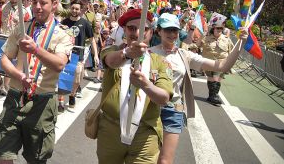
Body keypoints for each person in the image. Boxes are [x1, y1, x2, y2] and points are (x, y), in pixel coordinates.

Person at [150, 13, 248, 164]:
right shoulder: (148, 53)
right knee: (148, 157)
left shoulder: (185, 55)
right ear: (159, 31)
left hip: (174, 109)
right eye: (167, 29)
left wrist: (241, 42)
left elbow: (222, 66)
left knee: (164, 161)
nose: (172, 34)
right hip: (150, 108)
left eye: (175, 30)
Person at [0, 0, 72, 164]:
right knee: (4, 154)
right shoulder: (22, 28)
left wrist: (36, 50)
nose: (37, 7)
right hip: (15, 97)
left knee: (36, 159)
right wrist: (18, 75)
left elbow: (59, 64)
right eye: (34, 2)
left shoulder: (63, 34)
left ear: (54, 4)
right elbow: (4, 59)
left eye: (43, 3)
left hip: (42, 103)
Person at [96, 8, 173, 164]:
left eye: (143, 28)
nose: (137, 33)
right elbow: (110, 62)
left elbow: (164, 99)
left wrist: (145, 85)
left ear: (151, 32)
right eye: (132, 28)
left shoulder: (160, 61)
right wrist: (127, 53)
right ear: (124, 29)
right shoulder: (112, 51)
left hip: (145, 134)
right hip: (111, 131)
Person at [0, 0, 31, 95]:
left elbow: (27, 27)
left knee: (10, 62)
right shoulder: (3, 7)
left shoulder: (24, 12)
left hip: (14, 40)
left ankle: (6, 85)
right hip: (2, 36)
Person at [61, 0, 98, 108]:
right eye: (72, 8)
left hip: (78, 53)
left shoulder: (85, 23)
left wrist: (95, 55)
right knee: (63, 76)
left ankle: (72, 94)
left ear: (80, 10)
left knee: (77, 76)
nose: (74, 10)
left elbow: (92, 40)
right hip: (65, 53)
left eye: (77, 9)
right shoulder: (64, 22)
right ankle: (61, 103)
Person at [201, 13, 235, 105]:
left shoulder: (226, 39)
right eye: (217, 28)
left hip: (221, 63)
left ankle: (214, 96)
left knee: (217, 78)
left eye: (221, 28)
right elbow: (197, 45)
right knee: (211, 78)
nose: (219, 30)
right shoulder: (206, 38)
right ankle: (212, 96)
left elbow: (231, 52)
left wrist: (231, 65)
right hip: (208, 62)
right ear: (213, 29)